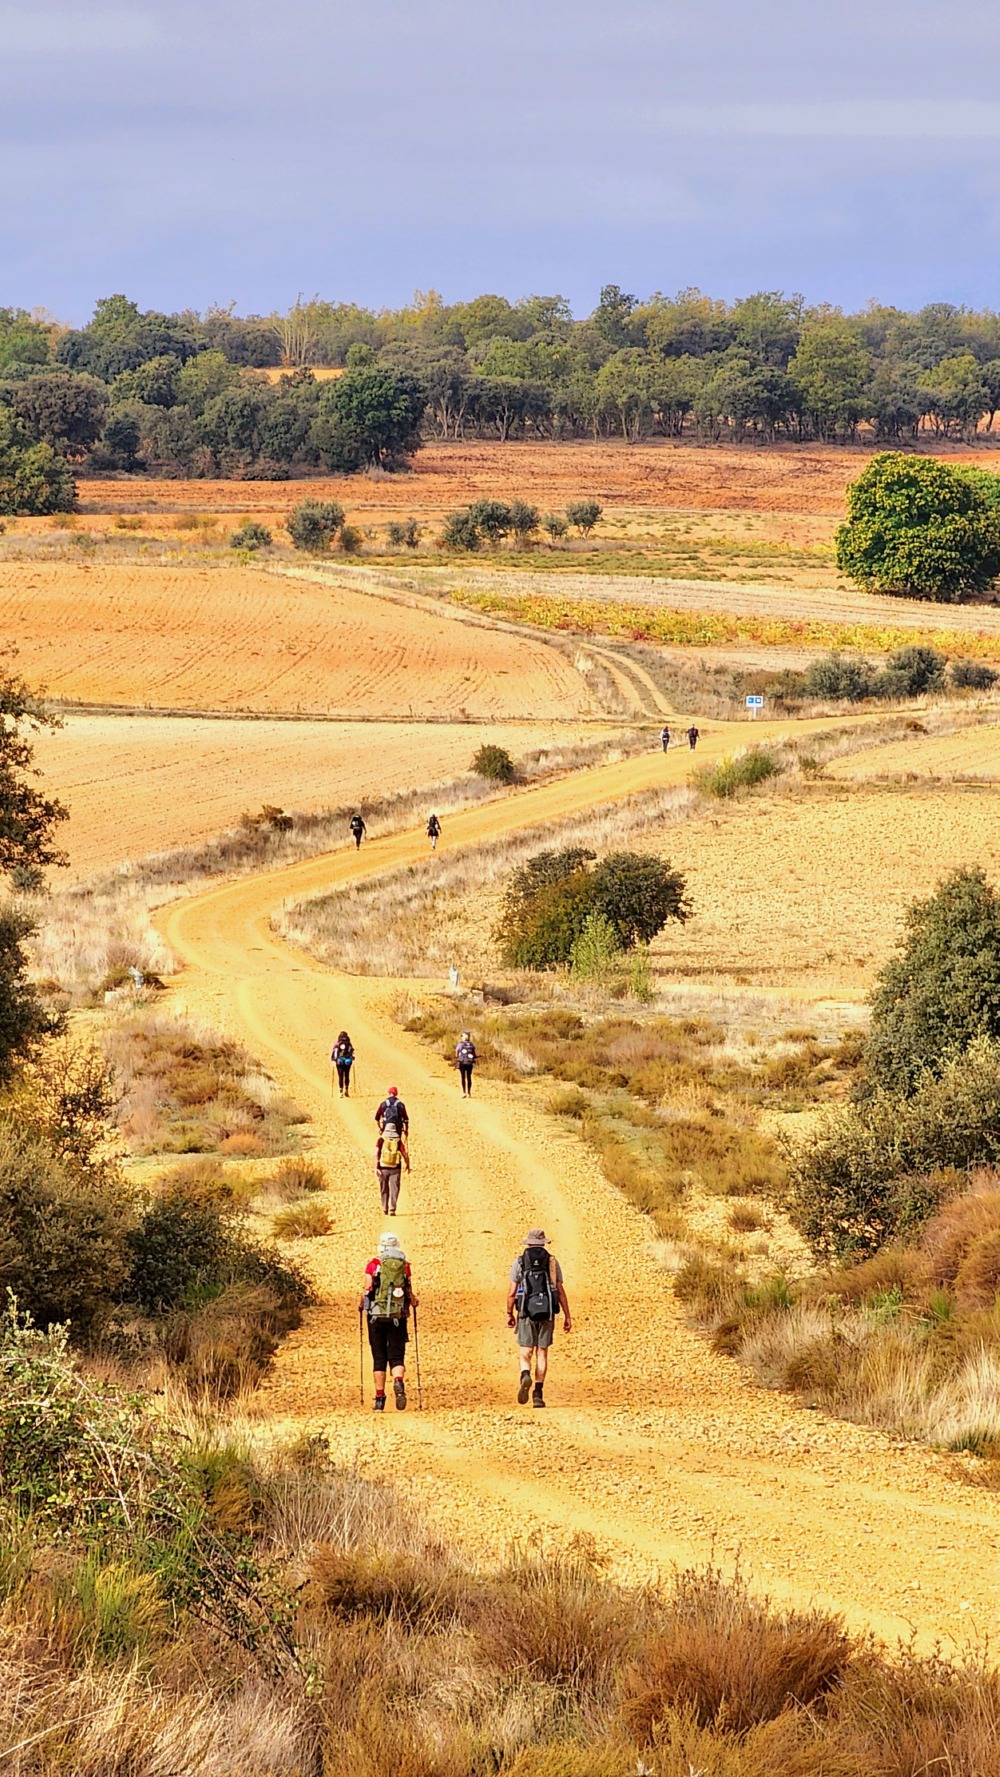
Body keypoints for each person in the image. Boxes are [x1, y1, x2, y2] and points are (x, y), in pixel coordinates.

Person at [507, 1228, 572, 1409]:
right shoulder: (552, 1262)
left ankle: (525, 1373)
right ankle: (538, 1393)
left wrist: (509, 1313)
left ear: (528, 1243)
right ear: (544, 1243)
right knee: (541, 1352)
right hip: (547, 1312)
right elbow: (560, 1290)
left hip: (526, 1313)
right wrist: (567, 1315)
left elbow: (512, 1292)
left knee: (525, 1351)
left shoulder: (519, 1262)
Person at [360, 1232, 418, 1411]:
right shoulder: (404, 1266)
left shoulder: (373, 1265)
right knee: (396, 1356)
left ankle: (379, 1399)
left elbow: (368, 1289)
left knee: (379, 1358)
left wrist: (361, 1304)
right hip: (397, 1317)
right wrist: (414, 1301)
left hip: (375, 1317)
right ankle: (398, 1381)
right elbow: (408, 1292)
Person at [375, 1119, 410, 1215]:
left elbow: (376, 1154)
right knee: (395, 1188)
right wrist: (408, 1165)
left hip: (383, 1167)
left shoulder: (381, 1140)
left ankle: (384, 1207)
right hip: (395, 1168)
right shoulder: (398, 1141)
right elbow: (405, 1154)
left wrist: (376, 1167)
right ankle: (392, 1208)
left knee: (383, 1188)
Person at [331, 1030, 355, 1097]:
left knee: (340, 1076)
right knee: (347, 1075)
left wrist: (333, 1060)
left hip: (339, 1062)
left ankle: (341, 1091)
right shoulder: (349, 1044)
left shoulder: (337, 1043)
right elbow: (352, 1052)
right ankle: (346, 1090)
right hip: (347, 1061)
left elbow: (334, 1053)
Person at [455, 1031, 477, 1098]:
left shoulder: (460, 1044)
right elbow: (474, 1054)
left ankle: (464, 1092)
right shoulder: (472, 1044)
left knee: (463, 1077)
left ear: (462, 1037)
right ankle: (469, 1093)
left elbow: (456, 1054)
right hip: (469, 1063)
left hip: (462, 1062)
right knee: (469, 1077)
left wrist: (458, 1057)